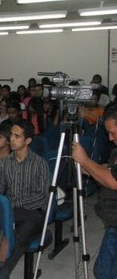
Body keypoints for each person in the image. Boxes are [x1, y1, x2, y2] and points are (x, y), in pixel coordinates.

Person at [0, 119, 49, 274]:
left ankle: (3, 272)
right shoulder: (5, 162)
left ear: (27, 140)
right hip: (10, 210)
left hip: (32, 212)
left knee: (20, 235)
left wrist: (14, 202)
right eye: (11, 135)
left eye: (17, 136)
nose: (11, 139)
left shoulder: (39, 163)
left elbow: (42, 196)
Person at [71, 107, 117, 279]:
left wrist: (85, 160)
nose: (110, 138)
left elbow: (113, 181)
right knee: (102, 271)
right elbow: (109, 169)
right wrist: (88, 169)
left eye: (113, 133)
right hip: (113, 223)